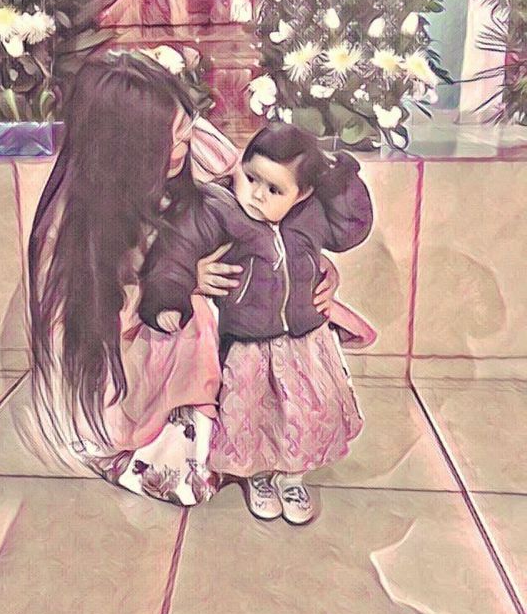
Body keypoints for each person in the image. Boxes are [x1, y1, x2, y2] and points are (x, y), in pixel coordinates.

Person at [27, 50, 341, 506]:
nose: (187, 142)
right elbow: (85, 321)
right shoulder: (76, 222)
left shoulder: (195, 147)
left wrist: (311, 261)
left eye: (187, 130)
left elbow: (266, 204)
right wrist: (180, 283)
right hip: (130, 348)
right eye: (173, 139)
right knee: (195, 319)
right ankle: (188, 442)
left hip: (236, 309)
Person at [138, 121, 376, 524]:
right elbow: (176, 252)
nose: (257, 195)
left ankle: (292, 476)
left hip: (305, 341)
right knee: (253, 415)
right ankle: (259, 477)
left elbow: (351, 227)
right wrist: (168, 297)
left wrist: (338, 177)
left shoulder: (312, 215)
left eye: (274, 190)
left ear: (302, 194)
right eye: (251, 178)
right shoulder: (219, 211)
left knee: (307, 411)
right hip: (247, 343)